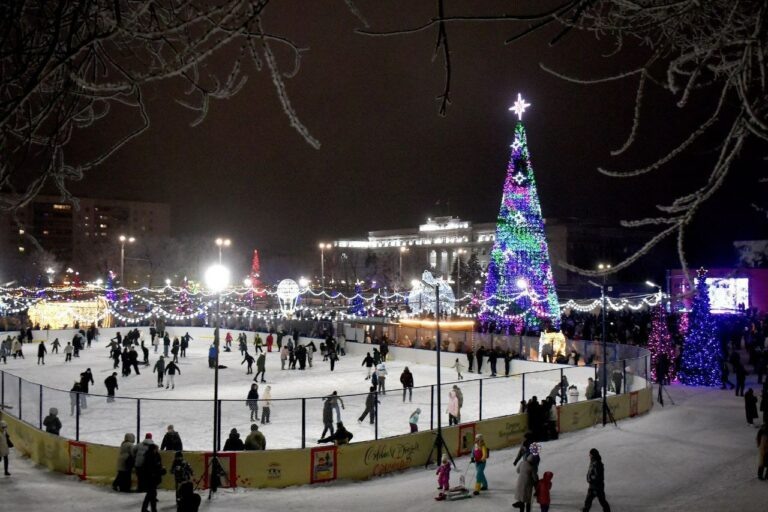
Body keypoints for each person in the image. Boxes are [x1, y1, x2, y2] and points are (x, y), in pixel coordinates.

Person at [141, 443, 165, 512]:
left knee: (152, 495)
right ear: (153, 449)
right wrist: (160, 471)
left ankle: (150, 509)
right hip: (151, 479)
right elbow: (152, 469)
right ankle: (146, 509)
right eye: (156, 449)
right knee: (151, 494)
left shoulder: (153, 455)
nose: (157, 450)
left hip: (152, 478)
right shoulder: (150, 457)